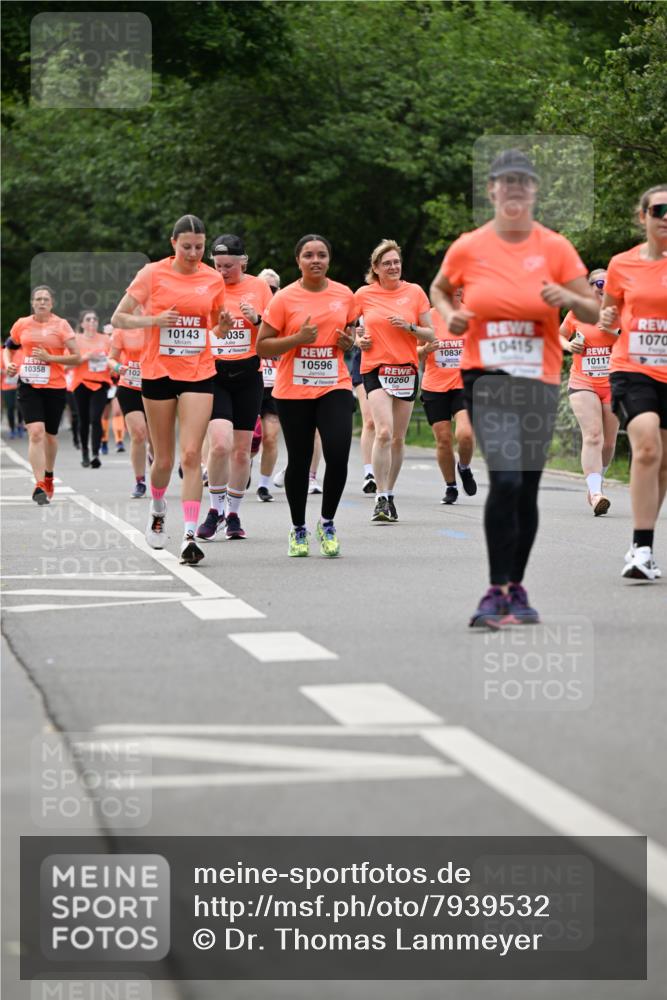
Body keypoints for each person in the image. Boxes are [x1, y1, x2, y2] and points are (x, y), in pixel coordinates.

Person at [430, 148, 598, 627]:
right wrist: (450, 314)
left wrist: (565, 296)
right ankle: (494, 589)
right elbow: (441, 288)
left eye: (523, 183)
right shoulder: (469, 245)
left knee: (525, 488)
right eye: (506, 183)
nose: (515, 190)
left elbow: (589, 309)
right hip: (485, 375)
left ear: (534, 191)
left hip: (538, 379)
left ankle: (516, 588)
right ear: (492, 190)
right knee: (504, 476)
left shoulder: (555, 247)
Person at [111, 214, 229, 565]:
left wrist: (221, 325)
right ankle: (158, 506)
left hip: (198, 371)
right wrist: (154, 321)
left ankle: (190, 535)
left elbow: (216, 329)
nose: (194, 253)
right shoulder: (152, 274)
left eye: (200, 247)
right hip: (158, 371)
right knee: (163, 458)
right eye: (187, 246)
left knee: (192, 455)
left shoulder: (212, 278)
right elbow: (119, 317)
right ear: (173, 243)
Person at [256, 234, 356, 556]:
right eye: (309, 255)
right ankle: (298, 528)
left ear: (329, 260)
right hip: (293, 389)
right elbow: (263, 346)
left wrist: (348, 343)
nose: (316, 260)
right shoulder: (284, 298)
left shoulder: (344, 294)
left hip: (334, 383)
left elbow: (352, 333)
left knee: (338, 453)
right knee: (298, 460)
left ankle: (326, 522)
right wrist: (297, 338)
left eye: (322, 255)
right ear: (298, 260)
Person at [602, 184, 667, 580]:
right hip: (633, 367)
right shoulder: (621, 265)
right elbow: (609, 316)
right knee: (646, 446)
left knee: (662, 465)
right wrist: (607, 321)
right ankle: (640, 548)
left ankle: (646, 542)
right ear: (642, 216)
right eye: (659, 209)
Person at [195, 234, 272, 541]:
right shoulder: (205, 287)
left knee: (241, 452)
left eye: (229, 266)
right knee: (219, 444)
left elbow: (275, 331)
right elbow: (195, 330)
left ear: (244, 262)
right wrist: (217, 329)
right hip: (214, 374)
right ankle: (214, 510)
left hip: (249, 375)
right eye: (218, 265)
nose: (223, 272)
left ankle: (234, 514)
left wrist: (258, 320)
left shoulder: (259, 287)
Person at [355, 239, 436, 522]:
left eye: (396, 262)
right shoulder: (364, 295)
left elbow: (431, 334)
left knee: (399, 439)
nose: (393, 267)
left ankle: (389, 494)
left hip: (406, 370)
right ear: (376, 268)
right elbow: (350, 328)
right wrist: (359, 340)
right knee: (384, 432)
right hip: (375, 369)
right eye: (387, 263)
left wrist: (410, 327)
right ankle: (379, 497)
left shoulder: (414, 292)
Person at [3, 285, 80, 504]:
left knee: (50, 436)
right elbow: (9, 347)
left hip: (54, 386)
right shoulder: (22, 324)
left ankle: (48, 474)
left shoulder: (61, 325)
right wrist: (8, 364)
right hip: (28, 385)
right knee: (36, 432)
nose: (42, 302)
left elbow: (77, 356)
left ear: (52, 303)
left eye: (46, 299)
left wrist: (51, 358)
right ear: (33, 303)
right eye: (38, 299)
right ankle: (38, 484)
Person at [559, 268, 618, 515]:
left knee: (608, 442)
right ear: (590, 286)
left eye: (608, 283)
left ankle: (597, 481)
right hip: (583, 381)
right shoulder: (578, 311)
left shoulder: (620, 311)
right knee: (593, 435)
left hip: (615, 383)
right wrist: (569, 344)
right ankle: (596, 494)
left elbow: (633, 338)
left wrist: (613, 332)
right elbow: (560, 334)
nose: (603, 287)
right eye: (599, 283)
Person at [418, 298, 477, 504]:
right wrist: (425, 350)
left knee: (466, 434)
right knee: (443, 440)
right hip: (435, 385)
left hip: (465, 385)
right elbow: (412, 350)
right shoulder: (428, 316)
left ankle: (465, 468)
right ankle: (450, 486)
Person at [109, 322, 151, 498]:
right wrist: (119, 368)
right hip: (129, 387)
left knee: (155, 440)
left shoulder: (155, 326)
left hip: (154, 388)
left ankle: (154, 459)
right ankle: (140, 481)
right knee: (139, 434)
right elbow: (111, 358)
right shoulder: (122, 330)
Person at [71, 310, 111, 468]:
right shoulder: (76, 340)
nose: (92, 322)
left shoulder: (106, 339)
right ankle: (85, 452)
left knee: (96, 418)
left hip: (101, 383)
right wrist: (86, 357)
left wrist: (110, 362)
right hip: (81, 383)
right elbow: (67, 364)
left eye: (95, 319)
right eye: (88, 319)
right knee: (84, 419)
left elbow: (114, 358)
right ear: (82, 324)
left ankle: (95, 453)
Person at [255, 268, 282, 501]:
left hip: (275, 385)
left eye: (272, 288)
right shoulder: (248, 312)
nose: (268, 292)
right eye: (263, 287)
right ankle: (242, 466)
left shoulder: (284, 314)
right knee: (247, 439)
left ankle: (263, 484)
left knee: (271, 436)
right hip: (251, 381)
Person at [350, 318, 377, 496]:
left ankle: (382, 468)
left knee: (386, 428)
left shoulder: (403, 298)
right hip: (364, 361)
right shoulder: (362, 299)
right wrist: (358, 340)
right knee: (370, 421)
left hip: (392, 364)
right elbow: (349, 335)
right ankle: (369, 473)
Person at [1, 343, 24, 438]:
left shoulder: (22, 352)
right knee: (10, 407)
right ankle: (12, 428)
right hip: (7, 385)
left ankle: (20, 425)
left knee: (20, 407)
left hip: (20, 385)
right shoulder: (2, 353)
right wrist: (7, 371)